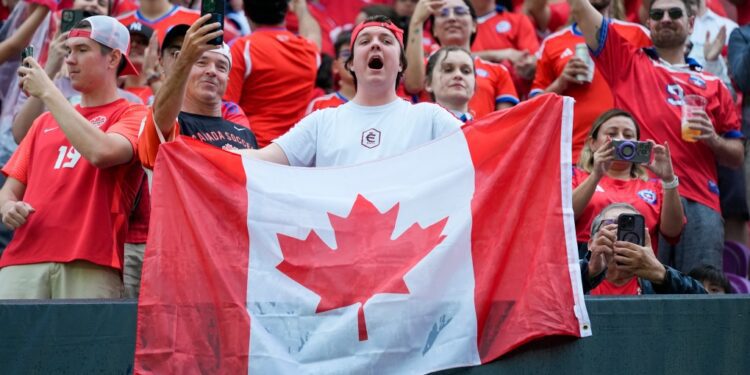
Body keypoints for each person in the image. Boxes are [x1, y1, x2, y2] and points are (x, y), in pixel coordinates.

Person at [568, 0, 744, 273]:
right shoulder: (627, 62)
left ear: (691, 23)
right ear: (647, 24)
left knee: (699, 296)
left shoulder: (714, 84)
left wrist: (712, 138)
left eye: (675, 13)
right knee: (642, 292)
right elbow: (579, 9)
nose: (665, 18)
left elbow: (737, 156)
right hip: (643, 197)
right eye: (657, 14)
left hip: (700, 200)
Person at [0, 16, 147, 299]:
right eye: (68, 51)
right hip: (22, 259)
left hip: (90, 260)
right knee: (11, 343)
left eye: (82, 50)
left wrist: (48, 91)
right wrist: (8, 208)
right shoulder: (44, 122)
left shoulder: (134, 113)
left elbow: (101, 152)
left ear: (113, 57)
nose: (70, 59)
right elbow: (8, 190)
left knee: (79, 344)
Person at [238, 16, 462, 167]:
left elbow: (483, 148)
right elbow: (263, 160)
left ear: (402, 64)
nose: (375, 45)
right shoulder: (322, 122)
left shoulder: (430, 118)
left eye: (386, 40)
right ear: (352, 64)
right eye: (365, 41)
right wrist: (208, 154)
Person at [531, 0, 652, 160]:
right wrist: (560, 83)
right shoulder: (553, 42)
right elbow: (532, 109)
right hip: (573, 154)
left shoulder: (638, 34)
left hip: (628, 152)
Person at [139, 15, 258, 170]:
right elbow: (160, 119)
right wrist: (185, 59)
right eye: (201, 62)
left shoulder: (245, 134)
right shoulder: (171, 124)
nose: (211, 71)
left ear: (227, 80)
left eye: (221, 67)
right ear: (185, 70)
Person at [573, 109, 684, 256]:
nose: (621, 139)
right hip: (587, 267)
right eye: (612, 134)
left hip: (638, 268)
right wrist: (596, 175)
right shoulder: (576, 176)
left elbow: (673, 232)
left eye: (628, 135)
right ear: (592, 143)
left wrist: (669, 180)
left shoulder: (655, 186)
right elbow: (562, 218)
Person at [223, 0, 321, 147]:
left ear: (245, 11)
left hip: (253, 149)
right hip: (294, 152)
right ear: (288, 9)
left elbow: (225, 106)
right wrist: (301, 6)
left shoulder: (242, 48)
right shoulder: (308, 50)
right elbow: (313, 34)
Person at [405, 0, 518, 119]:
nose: (452, 18)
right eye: (443, 14)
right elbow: (413, 85)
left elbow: (506, 122)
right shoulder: (422, 67)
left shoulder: (499, 71)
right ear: (434, 30)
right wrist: (417, 22)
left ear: (474, 25)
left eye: (460, 12)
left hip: (482, 136)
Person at [587, 203, 707, 295]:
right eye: (611, 224)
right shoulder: (576, 282)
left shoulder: (656, 283)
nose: (619, 234)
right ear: (591, 244)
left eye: (631, 228)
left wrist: (661, 274)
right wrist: (588, 273)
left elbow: (707, 304)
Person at [306, 31, 355, 114]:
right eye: (346, 54)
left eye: (359, 54)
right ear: (335, 66)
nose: (353, 60)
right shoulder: (319, 105)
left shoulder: (381, 104)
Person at [424, 46, 476, 122]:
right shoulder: (417, 127)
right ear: (428, 83)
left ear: (474, 85)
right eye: (448, 70)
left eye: (466, 71)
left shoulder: (487, 131)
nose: (458, 75)